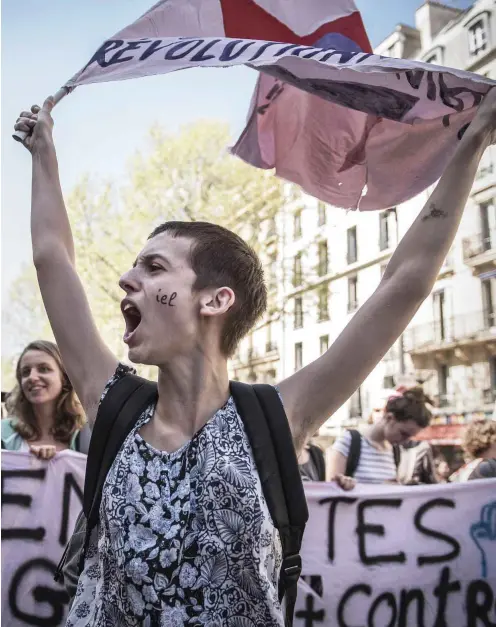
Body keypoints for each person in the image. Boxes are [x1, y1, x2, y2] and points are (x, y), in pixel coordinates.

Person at [14, 88, 496, 626]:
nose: (127, 279)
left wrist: (474, 141)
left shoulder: (275, 418)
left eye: (153, 268)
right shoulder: (116, 407)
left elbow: (404, 282)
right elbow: (52, 258)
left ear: (216, 300)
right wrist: (43, 154)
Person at [329, 388, 432, 489]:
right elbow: (330, 490)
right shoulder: (349, 441)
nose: (405, 441)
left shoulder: (395, 451)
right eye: (403, 433)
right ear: (389, 418)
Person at [2, 340, 86, 459]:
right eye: (26, 372)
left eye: (44, 369)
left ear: (65, 378)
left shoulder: (89, 434)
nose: (32, 377)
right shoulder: (3, 433)